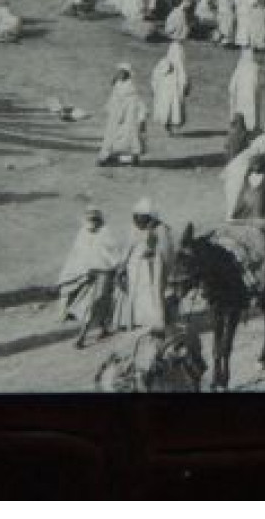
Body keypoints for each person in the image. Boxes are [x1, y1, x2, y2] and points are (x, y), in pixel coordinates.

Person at [57, 206, 120, 347]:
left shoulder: (105, 233)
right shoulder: (83, 234)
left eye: (95, 219)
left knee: (101, 303)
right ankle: (85, 336)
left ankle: (94, 332)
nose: (92, 222)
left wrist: (114, 267)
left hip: (103, 273)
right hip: (86, 276)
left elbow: (112, 254)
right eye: (90, 219)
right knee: (89, 306)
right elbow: (76, 256)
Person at [118, 197, 176, 330]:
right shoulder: (134, 229)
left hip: (154, 267)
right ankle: (138, 320)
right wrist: (123, 264)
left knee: (153, 294)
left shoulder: (161, 229)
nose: (138, 220)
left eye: (142, 217)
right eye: (136, 217)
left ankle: (156, 321)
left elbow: (166, 250)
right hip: (135, 267)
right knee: (136, 294)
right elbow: (128, 247)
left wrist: (155, 254)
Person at [98, 63, 149, 166]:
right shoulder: (117, 87)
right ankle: (108, 157)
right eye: (119, 72)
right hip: (116, 119)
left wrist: (142, 118)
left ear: (127, 74)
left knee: (130, 138)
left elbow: (139, 104)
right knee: (112, 137)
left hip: (129, 120)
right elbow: (112, 101)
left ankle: (133, 158)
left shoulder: (132, 89)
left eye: (123, 72)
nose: (120, 74)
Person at [150, 41, 188, 134]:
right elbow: (156, 75)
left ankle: (171, 126)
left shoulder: (179, 66)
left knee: (173, 107)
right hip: (168, 89)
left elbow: (183, 77)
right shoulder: (165, 63)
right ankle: (168, 125)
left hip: (174, 88)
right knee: (169, 107)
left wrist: (184, 85)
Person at [228, 47, 264, 132]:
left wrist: (233, 96)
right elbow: (258, 85)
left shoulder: (239, 68)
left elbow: (232, 86)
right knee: (251, 115)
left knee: (241, 115)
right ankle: (252, 129)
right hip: (251, 97)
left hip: (241, 97)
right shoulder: (255, 68)